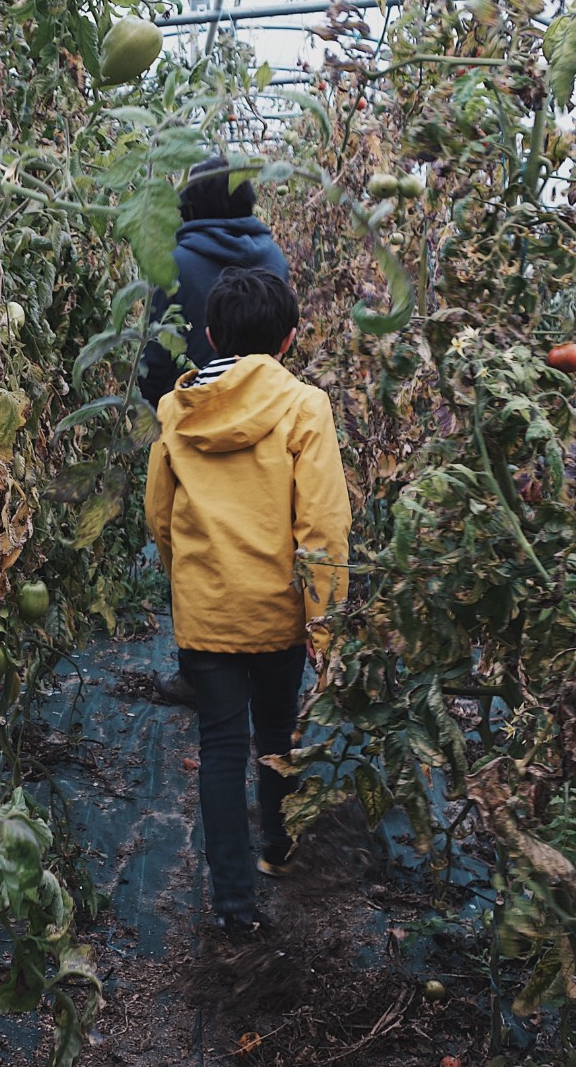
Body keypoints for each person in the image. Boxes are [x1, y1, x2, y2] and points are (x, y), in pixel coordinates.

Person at [143, 267, 351, 938]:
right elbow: (321, 525)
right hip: (277, 613)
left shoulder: (176, 412)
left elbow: (158, 514)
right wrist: (323, 623)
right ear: (288, 339)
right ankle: (278, 852)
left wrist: (189, 578)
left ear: (208, 334)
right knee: (276, 735)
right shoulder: (302, 407)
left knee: (220, 749)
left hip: (206, 613)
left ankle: (233, 909)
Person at [142, 157, 293, 708]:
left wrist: (164, 400)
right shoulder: (271, 255)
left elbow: (160, 345)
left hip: (198, 416)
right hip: (266, 414)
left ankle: (200, 669)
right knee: (258, 533)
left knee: (197, 536)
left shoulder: (177, 259)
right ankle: (265, 658)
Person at [137, 156, 291, 411]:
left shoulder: (173, 264)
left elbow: (155, 356)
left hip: (190, 416)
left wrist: (160, 413)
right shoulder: (273, 258)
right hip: (263, 409)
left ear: (189, 207)